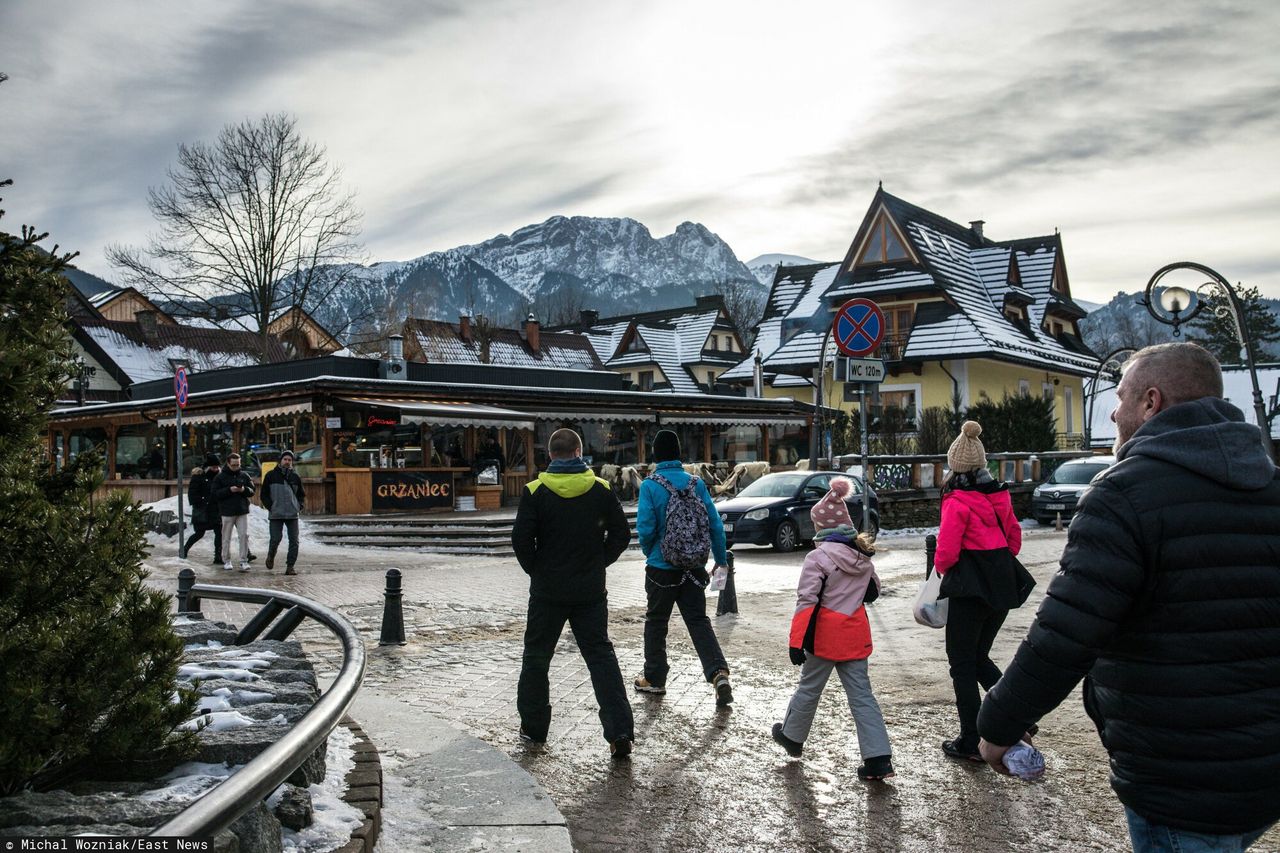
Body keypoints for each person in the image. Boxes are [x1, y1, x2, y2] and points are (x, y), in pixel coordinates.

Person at [977, 343, 1280, 852]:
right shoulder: (1271, 487)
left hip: (1180, 776)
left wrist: (999, 725)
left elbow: (1066, 632)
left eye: (1120, 397)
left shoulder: (1123, 495)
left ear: (1151, 402)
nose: (1113, 412)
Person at [511, 428, 634, 758]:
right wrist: (598, 562)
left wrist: (538, 570)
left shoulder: (535, 491)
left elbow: (521, 541)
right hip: (590, 592)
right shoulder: (601, 490)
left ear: (550, 456)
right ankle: (619, 730)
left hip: (547, 592)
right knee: (601, 657)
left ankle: (534, 728)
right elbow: (622, 534)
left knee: (536, 658)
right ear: (580, 452)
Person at [771, 477, 894, 781]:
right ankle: (878, 758)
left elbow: (806, 601)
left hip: (825, 638)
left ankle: (793, 736)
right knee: (862, 696)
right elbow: (873, 591)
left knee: (809, 688)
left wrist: (796, 641)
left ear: (821, 528)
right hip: (855, 636)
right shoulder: (862, 557)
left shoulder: (818, 558)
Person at [934, 420, 1029, 762]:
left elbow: (946, 553)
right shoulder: (998, 494)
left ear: (954, 466)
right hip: (1002, 587)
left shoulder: (957, 500)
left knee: (961, 665)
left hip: (970, 592)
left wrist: (946, 572)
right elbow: (1014, 541)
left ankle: (971, 741)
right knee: (978, 659)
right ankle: (1019, 720)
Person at [634, 429, 733, 706]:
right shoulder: (696, 484)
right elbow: (714, 524)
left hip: (660, 569)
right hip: (694, 567)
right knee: (698, 621)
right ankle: (718, 673)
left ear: (656, 454)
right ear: (679, 454)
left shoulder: (650, 486)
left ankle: (654, 679)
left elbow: (645, 528)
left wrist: (652, 553)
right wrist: (720, 560)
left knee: (656, 622)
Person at [261, 449, 305, 575]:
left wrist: (299, 506)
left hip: (292, 514)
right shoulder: (270, 475)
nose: (287, 462)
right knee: (275, 538)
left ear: (292, 462)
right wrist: (271, 506)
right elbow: (264, 494)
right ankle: (271, 555)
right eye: (285, 459)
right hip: (276, 513)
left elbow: (301, 495)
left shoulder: (295, 477)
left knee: (294, 541)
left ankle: (290, 566)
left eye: (289, 460)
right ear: (280, 460)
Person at [212, 452, 256, 572]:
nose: (236, 467)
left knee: (244, 536)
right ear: (228, 463)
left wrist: (243, 489)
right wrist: (229, 490)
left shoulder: (244, 475)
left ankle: (244, 560)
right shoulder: (220, 477)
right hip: (227, 511)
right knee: (226, 537)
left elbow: (252, 491)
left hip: (241, 510)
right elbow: (215, 494)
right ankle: (226, 560)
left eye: (238, 464)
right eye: (234, 465)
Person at [183, 454, 223, 563]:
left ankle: (218, 556)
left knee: (219, 532)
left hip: (216, 509)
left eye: (217, 467)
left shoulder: (219, 477)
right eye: (213, 467)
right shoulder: (198, 477)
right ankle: (184, 549)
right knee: (199, 533)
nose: (216, 469)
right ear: (208, 467)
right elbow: (192, 494)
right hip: (202, 510)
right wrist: (202, 502)